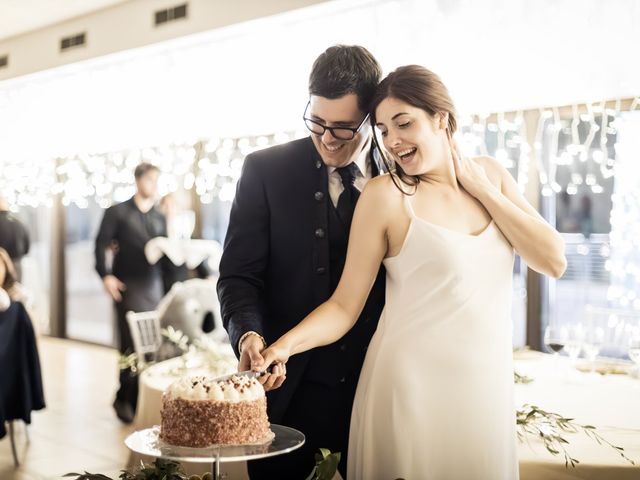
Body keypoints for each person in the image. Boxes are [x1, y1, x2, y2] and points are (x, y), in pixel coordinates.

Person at [256, 65, 567, 479]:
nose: (393, 141)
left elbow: (553, 260)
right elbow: (345, 307)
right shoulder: (385, 197)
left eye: (404, 124)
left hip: (485, 385)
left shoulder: (491, 174)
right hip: (409, 388)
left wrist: (483, 190)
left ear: (441, 117)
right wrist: (283, 347)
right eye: (383, 130)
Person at [217, 45, 386, 478]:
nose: (328, 138)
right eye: (317, 122)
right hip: (288, 392)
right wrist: (248, 334)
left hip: (381, 389)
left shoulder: (400, 175)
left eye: (345, 128)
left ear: (372, 117)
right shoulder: (264, 171)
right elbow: (238, 276)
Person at [94, 162, 169, 423]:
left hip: (154, 287)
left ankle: (141, 399)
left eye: (156, 181)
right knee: (130, 344)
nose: (154, 186)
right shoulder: (118, 212)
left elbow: (166, 254)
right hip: (128, 286)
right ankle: (123, 397)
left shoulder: (160, 216)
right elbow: (100, 244)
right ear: (138, 180)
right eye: (150, 180)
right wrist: (106, 276)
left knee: (153, 346)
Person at [0, 195, 30, 281]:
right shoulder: (19, 223)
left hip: (0, 264)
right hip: (16, 263)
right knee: (15, 290)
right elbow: (27, 248)